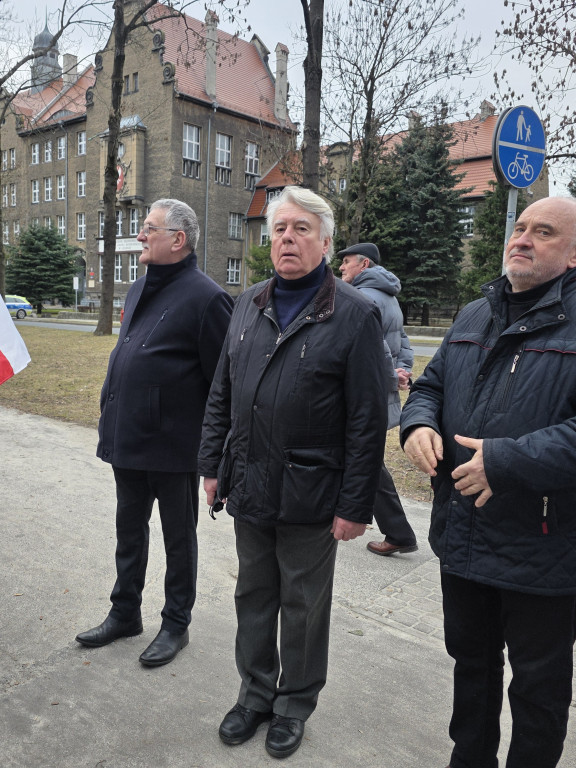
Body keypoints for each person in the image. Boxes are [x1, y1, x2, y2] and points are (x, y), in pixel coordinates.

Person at [400, 196, 576, 768]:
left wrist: (506, 462)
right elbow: (430, 387)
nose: (521, 239)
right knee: (471, 666)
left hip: (544, 543)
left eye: (543, 232)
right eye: (520, 227)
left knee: (538, 688)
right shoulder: (474, 314)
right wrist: (416, 425)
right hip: (463, 530)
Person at [199, 186, 387, 758]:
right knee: (253, 595)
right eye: (280, 228)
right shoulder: (247, 304)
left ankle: (294, 704)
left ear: (325, 243)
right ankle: (254, 694)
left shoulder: (354, 314)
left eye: (302, 229)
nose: (288, 238)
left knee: (303, 605)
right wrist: (211, 464)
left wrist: (355, 504)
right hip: (249, 482)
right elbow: (222, 391)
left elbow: (367, 420)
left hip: (312, 490)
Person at [77, 198, 233, 667]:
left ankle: (175, 624)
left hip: (174, 445)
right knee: (129, 531)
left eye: (149, 228)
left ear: (178, 239)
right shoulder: (140, 286)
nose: (141, 235)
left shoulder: (208, 298)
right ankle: (125, 613)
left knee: (178, 539)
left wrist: (215, 455)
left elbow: (223, 384)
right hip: (128, 436)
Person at [337, 242, 418, 556]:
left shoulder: (362, 296)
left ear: (364, 264)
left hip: (362, 391)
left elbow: (377, 347)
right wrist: (402, 371)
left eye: (347, 262)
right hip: (378, 389)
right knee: (363, 457)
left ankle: (398, 532)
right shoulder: (388, 295)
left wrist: (391, 375)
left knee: (365, 461)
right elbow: (402, 339)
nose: (341, 267)